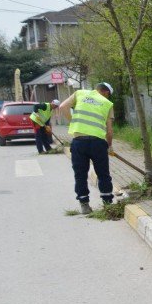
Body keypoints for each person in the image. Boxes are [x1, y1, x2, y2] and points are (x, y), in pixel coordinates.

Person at [59, 83, 114, 214]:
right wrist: (110, 146)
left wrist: (73, 122)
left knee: (80, 175)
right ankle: (107, 204)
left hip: (79, 142)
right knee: (103, 174)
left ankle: (84, 205)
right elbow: (110, 130)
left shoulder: (80, 93)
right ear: (106, 93)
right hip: (98, 143)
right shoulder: (107, 103)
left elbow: (62, 107)